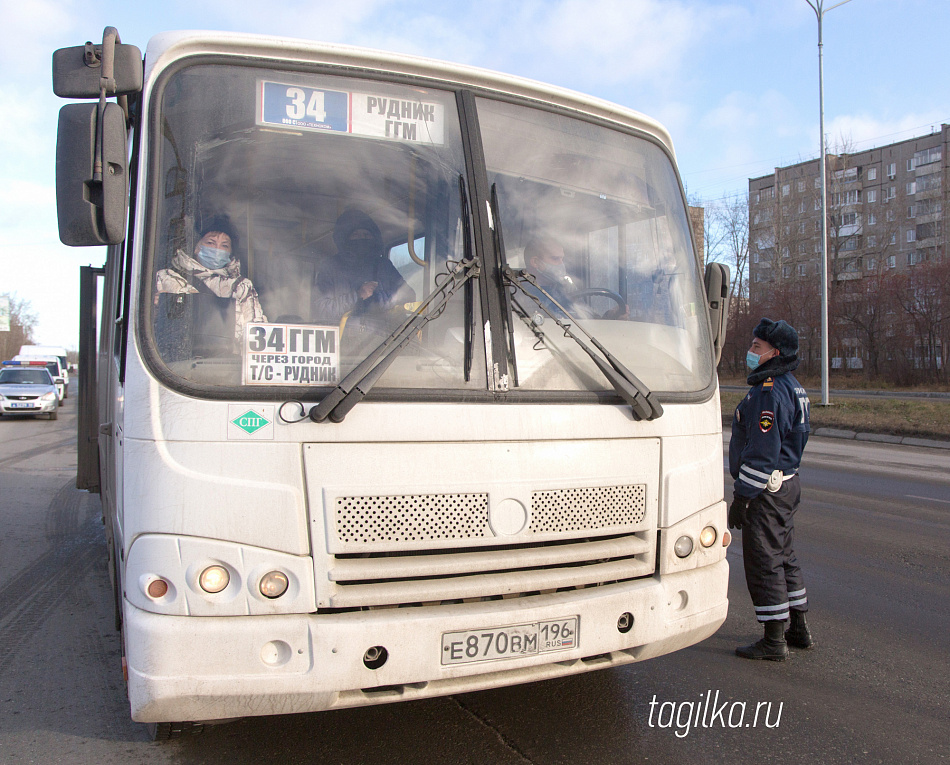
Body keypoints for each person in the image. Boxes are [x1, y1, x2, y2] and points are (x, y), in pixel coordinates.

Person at [728, 318, 813, 661]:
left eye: (756, 347)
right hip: (788, 484)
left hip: (767, 489)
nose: (750, 352)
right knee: (785, 557)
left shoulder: (769, 391)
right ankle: (797, 628)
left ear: (774, 353)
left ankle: (774, 640)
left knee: (765, 561)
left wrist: (742, 496)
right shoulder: (793, 386)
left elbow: (762, 453)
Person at [155, 216, 267, 348]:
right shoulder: (168, 277)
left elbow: (256, 332)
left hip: (225, 365)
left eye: (224, 245)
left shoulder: (242, 286)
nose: (217, 249)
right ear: (196, 247)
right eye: (210, 243)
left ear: (230, 253)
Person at [312, 209, 414, 325]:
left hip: (388, 339)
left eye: (366, 235)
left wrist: (378, 299)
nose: (361, 239)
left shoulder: (384, 266)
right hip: (344, 339)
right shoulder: (330, 267)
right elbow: (321, 310)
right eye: (355, 235)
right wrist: (358, 296)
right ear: (345, 239)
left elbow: (409, 295)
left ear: (374, 238)